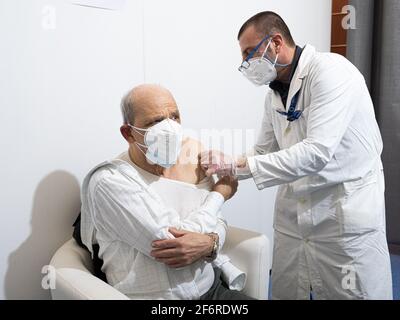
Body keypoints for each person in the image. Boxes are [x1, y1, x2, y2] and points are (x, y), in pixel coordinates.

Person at [201, 11, 392, 300]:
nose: (245, 64)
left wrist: (239, 165)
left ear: (275, 42)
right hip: (295, 218)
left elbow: (317, 152)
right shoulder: (274, 93)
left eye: (248, 53)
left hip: (342, 215)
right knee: (289, 291)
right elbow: (264, 151)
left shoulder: (331, 71)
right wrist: (226, 166)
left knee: (353, 293)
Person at [80, 84, 253, 300]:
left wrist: (211, 243)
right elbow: (174, 245)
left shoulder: (193, 157)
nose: (170, 128)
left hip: (211, 291)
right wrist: (219, 195)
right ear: (128, 133)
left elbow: (217, 220)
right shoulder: (110, 181)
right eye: (156, 121)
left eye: (175, 117)